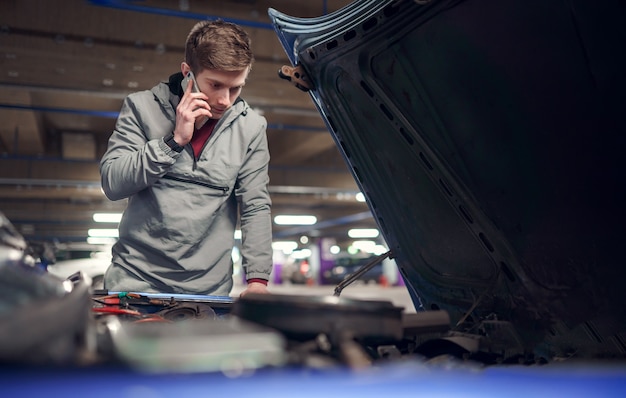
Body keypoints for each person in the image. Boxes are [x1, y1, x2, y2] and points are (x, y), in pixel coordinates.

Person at [100, 20, 272, 297]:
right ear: (187, 73)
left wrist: (257, 281)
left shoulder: (251, 127)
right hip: (135, 284)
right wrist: (174, 141)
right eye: (215, 85)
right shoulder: (141, 107)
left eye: (236, 88)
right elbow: (113, 183)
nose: (225, 100)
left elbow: (255, 207)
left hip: (209, 292)